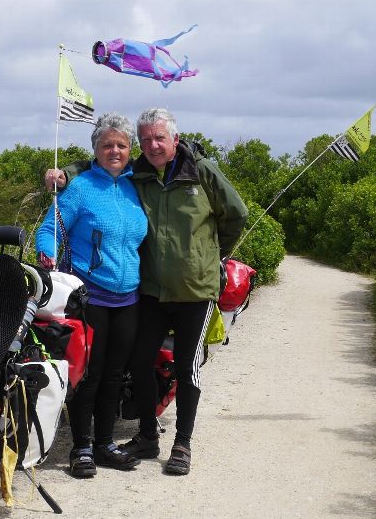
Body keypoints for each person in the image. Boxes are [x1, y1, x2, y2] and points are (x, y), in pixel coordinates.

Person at [45, 108, 248, 475]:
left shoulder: (198, 172)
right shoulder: (140, 176)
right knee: (127, 365)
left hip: (189, 290)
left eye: (158, 138)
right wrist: (65, 174)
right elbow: (95, 169)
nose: (151, 145)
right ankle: (134, 438)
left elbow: (237, 214)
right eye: (145, 140)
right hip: (141, 292)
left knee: (183, 367)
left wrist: (212, 254)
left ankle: (180, 444)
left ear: (175, 138)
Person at [36, 112, 148, 478]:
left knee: (116, 374)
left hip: (129, 297)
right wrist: (46, 250)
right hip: (90, 296)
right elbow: (51, 226)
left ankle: (105, 443)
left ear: (130, 150)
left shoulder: (137, 187)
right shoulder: (82, 187)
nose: (114, 151)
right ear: (95, 150)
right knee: (89, 374)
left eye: (121, 145)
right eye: (107, 145)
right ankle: (80, 448)